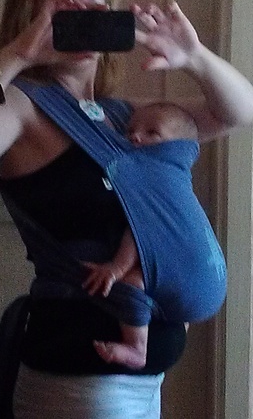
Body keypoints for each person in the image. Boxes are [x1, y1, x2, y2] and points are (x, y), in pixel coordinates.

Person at [0, 0, 253, 417]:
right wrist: (14, 58)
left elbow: (240, 110)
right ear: (30, 15)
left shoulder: (124, 117)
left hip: (142, 384)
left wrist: (194, 57)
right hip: (80, 383)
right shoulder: (19, 107)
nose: (85, 17)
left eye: (96, 5)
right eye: (66, 8)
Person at [81, 103, 199, 370]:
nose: (135, 136)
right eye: (130, 130)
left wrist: (116, 268)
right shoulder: (177, 177)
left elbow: (140, 231)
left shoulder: (153, 179)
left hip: (183, 272)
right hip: (196, 278)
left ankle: (136, 348)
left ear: (177, 146)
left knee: (132, 283)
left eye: (152, 133)